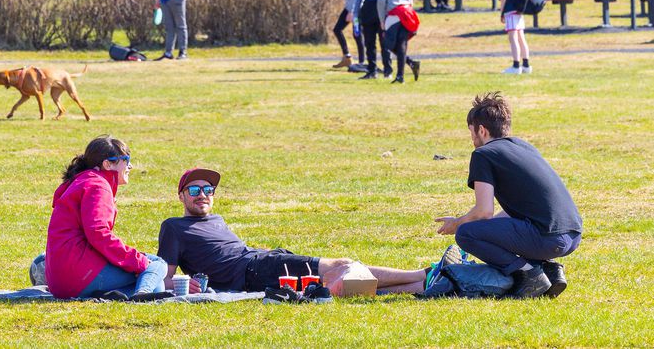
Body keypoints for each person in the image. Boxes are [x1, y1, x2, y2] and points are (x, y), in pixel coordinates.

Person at [157, 168, 439, 297]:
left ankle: (424, 287)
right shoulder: (173, 227)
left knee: (337, 284)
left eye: (208, 190)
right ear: (181, 196)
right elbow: (165, 278)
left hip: (264, 260)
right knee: (344, 266)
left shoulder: (216, 219)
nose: (203, 195)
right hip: (251, 271)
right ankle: (423, 274)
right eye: (194, 190)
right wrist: (184, 283)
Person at [435, 93, 582, 298]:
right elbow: (521, 208)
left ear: (482, 130)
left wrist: (457, 223)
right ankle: (550, 271)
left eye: (471, 133)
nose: (472, 139)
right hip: (572, 235)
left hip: (546, 238)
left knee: (466, 233)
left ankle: (530, 274)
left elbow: (484, 211)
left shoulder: (483, 155)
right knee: (480, 230)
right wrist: (490, 231)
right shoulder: (523, 146)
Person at [45, 136, 171, 301]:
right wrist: (135, 260)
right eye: (126, 160)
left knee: (157, 283)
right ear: (108, 164)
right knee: (156, 264)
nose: (130, 166)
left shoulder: (83, 181)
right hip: (78, 274)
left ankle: (133, 293)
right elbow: (98, 233)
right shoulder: (98, 185)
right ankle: (142, 294)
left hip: (60, 280)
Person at [377, 0, 421, 84]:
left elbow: (381, 1)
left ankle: (408, 65)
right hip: (407, 14)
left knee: (387, 45)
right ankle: (401, 74)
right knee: (401, 45)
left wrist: (381, 19)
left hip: (394, 14)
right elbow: (411, 0)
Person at [495, 0, 531, 74]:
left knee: (513, 38)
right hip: (520, 9)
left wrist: (501, 13)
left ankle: (516, 66)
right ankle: (526, 65)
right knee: (521, 37)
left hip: (510, 10)